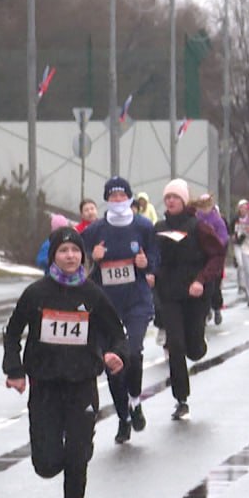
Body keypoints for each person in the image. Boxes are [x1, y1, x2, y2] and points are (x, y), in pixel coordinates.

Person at [3, 226, 127, 498]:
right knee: (46, 464)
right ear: (54, 256)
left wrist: (116, 354)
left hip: (81, 386)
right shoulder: (36, 293)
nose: (70, 256)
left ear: (82, 256)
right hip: (44, 387)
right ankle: (57, 458)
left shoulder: (93, 295)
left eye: (75, 251)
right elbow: (13, 332)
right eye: (63, 251)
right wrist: (14, 369)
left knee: (77, 458)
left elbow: (117, 334)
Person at [82, 175, 159, 443]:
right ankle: (123, 418)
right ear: (106, 199)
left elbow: (155, 259)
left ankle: (135, 401)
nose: (117, 200)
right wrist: (93, 256)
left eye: (121, 196)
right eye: (112, 196)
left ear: (129, 198)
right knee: (113, 363)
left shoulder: (143, 226)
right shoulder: (95, 231)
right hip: (106, 304)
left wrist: (145, 263)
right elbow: (69, 256)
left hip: (136, 299)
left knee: (134, 354)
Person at [150, 178, 225, 420]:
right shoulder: (159, 227)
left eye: (175, 197)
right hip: (169, 293)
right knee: (175, 344)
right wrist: (149, 271)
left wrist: (201, 281)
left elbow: (216, 256)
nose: (170, 201)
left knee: (192, 348)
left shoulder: (198, 227)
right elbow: (152, 255)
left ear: (183, 201)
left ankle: (199, 344)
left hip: (195, 293)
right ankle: (181, 399)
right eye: (167, 197)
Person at [194, 193, 230, 325]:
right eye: (201, 206)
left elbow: (224, 238)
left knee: (214, 287)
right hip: (200, 259)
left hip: (214, 258)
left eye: (206, 205)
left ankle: (216, 307)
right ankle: (205, 310)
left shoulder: (217, 220)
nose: (204, 208)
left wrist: (215, 247)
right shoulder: (196, 219)